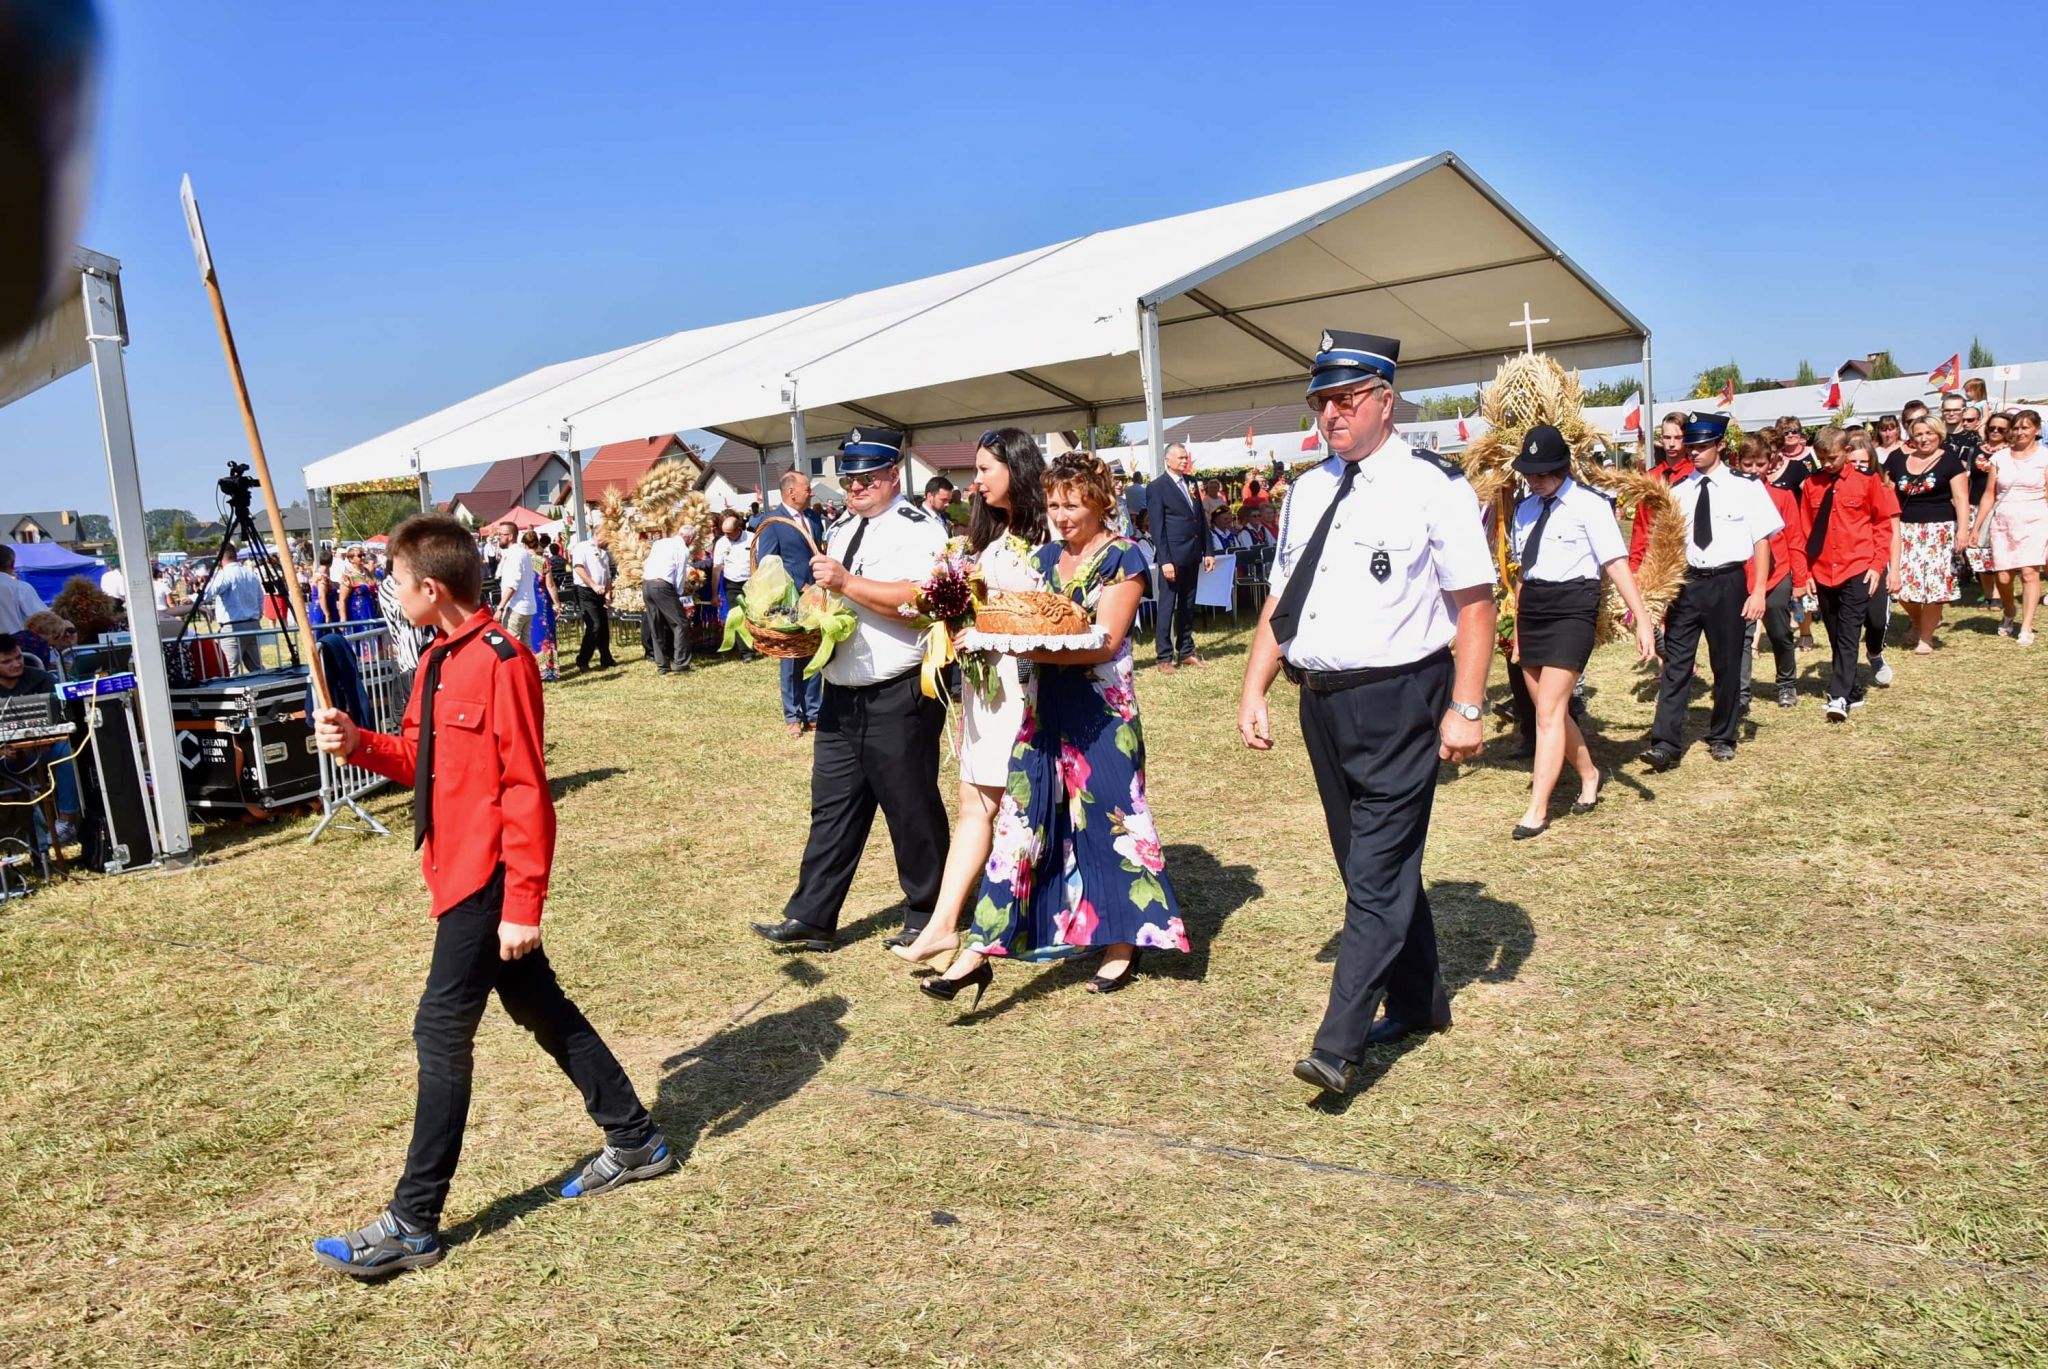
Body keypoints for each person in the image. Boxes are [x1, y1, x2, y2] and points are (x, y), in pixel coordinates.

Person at [306, 515, 672, 1278]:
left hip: (489, 878)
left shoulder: (502, 661)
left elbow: (526, 789)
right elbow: (419, 757)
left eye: (396, 583)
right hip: (454, 870)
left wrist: (523, 904)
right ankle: (634, 1138)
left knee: (440, 1029)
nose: (389, 592)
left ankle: (413, 1221)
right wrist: (356, 740)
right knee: (540, 1006)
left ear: (429, 588)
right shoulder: (436, 658)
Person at [1236, 329, 1496, 1096]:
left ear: (1387, 399)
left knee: (1377, 874)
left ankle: (1338, 1042)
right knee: (1367, 866)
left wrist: (1468, 706)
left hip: (1402, 698)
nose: (1331, 415)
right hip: (1323, 702)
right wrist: (1255, 685)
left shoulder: (1433, 485)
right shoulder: (1310, 489)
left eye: (1346, 399)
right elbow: (1283, 598)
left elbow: (1474, 605)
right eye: (1321, 401)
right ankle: (1420, 1001)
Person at [921, 451, 1185, 1008]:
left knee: (1111, 827)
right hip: (1041, 711)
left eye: (1073, 503)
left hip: (1102, 716)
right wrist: (986, 630)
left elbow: (1107, 641)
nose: (1062, 516)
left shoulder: (1124, 557)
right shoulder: (1041, 557)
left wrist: (1006, 642)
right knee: (1019, 826)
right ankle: (976, 954)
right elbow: (1018, 619)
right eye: (1055, 504)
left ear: (1100, 499)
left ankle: (1122, 943)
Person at [750, 428, 951, 953]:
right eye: (849, 479)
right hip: (841, 690)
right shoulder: (841, 527)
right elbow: (830, 593)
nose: (855, 487)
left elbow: (922, 601)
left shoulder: (918, 528)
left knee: (910, 806)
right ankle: (813, 916)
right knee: (832, 807)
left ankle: (928, 911)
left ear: (892, 473)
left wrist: (845, 584)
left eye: (866, 477)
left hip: (898, 688)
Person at [892, 428, 1051, 971]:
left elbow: (1048, 611)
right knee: (974, 805)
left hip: (1027, 687)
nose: (975, 481)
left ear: (1018, 469)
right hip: (984, 687)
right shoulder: (983, 537)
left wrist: (986, 623)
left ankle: (1001, 928)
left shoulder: (1049, 532)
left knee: (1016, 808)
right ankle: (942, 926)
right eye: (976, 470)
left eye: (986, 469)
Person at [1507, 425, 1656, 838]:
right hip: (1534, 610)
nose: (1535, 481)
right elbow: (1524, 574)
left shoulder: (1590, 506)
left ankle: (1537, 809)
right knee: (1548, 710)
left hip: (1573, 609)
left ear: (1564, 468)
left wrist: (1640, 618)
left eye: (1543, 473)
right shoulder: (1525, 510)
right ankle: (1589, 775)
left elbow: (1615, 563)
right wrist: (1518, 629)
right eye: (1530, 474)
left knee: (1550, 711)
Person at [1641, 413, 1781, 771]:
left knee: (1726, 663)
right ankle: (1665, 743)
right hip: (1688, 584)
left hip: (1728, 583)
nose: (1696, 453)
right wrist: (1660, 593)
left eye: (1703, 446)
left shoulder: (1746, 487)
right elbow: (1667, 545)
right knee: (1676, 664)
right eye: (1692, 447)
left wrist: (1759, 590)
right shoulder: (1678, 491)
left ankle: (1723, 735)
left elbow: (1762, 541)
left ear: (1720, 445)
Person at [1791, 427, 1900, 722]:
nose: (1827, 464)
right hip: (1824, 570)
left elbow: (1882, 525)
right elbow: (1803, 532)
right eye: (1822, 458)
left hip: (1857, 568)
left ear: (1847, 452)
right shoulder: (1812, 485)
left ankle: (1838, 697)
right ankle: (1852, 689)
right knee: (1836, 632)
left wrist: (1878, 565)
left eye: (1833, 458)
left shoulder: (1868, 482)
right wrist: (1805, 574)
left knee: (1850, 633)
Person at [1883, 416, 1972, 653]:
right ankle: (1916, 619)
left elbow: (1962, 498)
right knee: (1898, 584)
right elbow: (1887, 492)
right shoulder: (1897, 459)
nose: (1924, 438)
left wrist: (1963, 530)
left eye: (1929, 433)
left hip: (1940, 530)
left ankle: (1926, 636)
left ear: (1939, 434)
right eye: (1919, 433)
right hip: (1905, 529)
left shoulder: (1950, 460)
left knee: (1935, 586)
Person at [753, 471, 829, 732]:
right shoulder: (773, 522)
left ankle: (813, 711)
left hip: (817, 596)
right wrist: (798, 585)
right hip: (791, 600)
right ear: (791, 492)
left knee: (814, 652)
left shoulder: (813, 518)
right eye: (807, 489)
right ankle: (793, 715)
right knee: (791, 657)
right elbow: (768, 564)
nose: (812, 493)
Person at [1734, 436, 1804, 709]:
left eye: (1759, 464)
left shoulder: (1783, 496)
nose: (1753, 469)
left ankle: (1786, 684)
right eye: (1747, 463)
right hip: (1742, 576)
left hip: (1777, 575)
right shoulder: (1730, 495)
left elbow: (1795, 539)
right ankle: (1740, 694)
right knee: (1742, 635)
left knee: (1779, 631)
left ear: (1770, 463)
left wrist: (1799, 581)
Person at [1973, 409, 2048, 644]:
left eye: (2025, 427)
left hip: (2035, 519)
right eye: (2016, 428)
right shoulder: (2000, 458)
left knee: (2029, 573)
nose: (2020, 432)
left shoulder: (2044, 457)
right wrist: (1976, 527)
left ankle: (2026, 627)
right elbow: (1989, 495)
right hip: (2003, 520)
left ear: (2036, 430)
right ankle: (2009, 610)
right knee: (2004, 577)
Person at [1145, 441, 1213, 672]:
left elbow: (1200, 519)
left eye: (1186, 457)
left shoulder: (1191, 483)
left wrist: (1208, 550)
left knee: (1187, 604)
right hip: (1172, 556)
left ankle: (1186, 650)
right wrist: (1165, 560)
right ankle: (1164, 656)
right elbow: (1157, 526)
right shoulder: (1157, 487)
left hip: (1192, 554)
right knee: (1167, 605)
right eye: (1180, 457)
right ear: (1168, 459)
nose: (1185, 461)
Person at [1628, 414, 1695, 575]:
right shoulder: (1651, 477)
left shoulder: (1696, 475)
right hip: (1656, 564)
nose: (1672, 444)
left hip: (1690, 562)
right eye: (1667, 437)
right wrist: (1634, 568)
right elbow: (1641, 526)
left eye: (1678, 437)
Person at [1963, 413, 2011, 602]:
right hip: (1975, 504)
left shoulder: (2010, 453)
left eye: (2001, 429)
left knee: (1997, 550)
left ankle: (1999, 593)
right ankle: (1988, 593)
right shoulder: (1975, 450)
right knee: (1978, 550)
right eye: (1992, 428)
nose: (1996, 432)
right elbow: (1968, 477)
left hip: (2000, 506)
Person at [639, 516, 693, 677]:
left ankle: (662, 665)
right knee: (681, 623)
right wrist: (678, 593)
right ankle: (680, 662)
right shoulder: (683, 549)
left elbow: (648, 562)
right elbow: (680, 574)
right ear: (689, 538)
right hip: (663, 585)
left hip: (647, 583)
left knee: (656, 625)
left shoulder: (660, 543)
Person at [204, 543, 267, 673]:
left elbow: (209, 592)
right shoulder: (250, 574)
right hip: (253, 624)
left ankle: (232, 693)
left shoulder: (225, 574)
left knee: (229, 669)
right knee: (256, 668)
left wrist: (193, 600)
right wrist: (258, 616)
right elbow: (260, 598)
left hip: (233, 627)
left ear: (220, 557)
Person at [569, 527, 619, 670]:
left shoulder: (604, 553)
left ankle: (606, 657)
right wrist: (593, 585)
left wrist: (608, 593)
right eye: (606, 537)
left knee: (603, 626)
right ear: (597, 535)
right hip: (585, 591)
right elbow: (579, 569)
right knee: (594, 625)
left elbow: (608, 575)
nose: (608, 541)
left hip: (601, 591)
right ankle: (583, 660)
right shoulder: (582, 547)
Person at [711, 513, 755, 661]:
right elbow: (717, 568)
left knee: (753, 615)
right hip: (732, 584)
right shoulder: (721, 543)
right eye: (724, 533)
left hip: (751, 582)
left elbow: (761, 560)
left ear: (739, 528)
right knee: (737, 617)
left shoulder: (752, 538)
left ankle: (759, 644)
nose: (726, 536)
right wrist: (714, 593)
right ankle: (746, 652)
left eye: (729, 533)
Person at [520, 530, 561, 681]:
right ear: (537, 543)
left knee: (528, 634)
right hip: (541, 600)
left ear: (524, 544)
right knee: (546, 634)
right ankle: (547, 669)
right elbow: (550, 585)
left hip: (525, 599)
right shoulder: (543, 561)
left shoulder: (521, 561)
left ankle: (530, 669)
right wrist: (557, 603)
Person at [494, 522, 537, 645]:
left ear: (511, 536)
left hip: (516, 607)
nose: (498, 537)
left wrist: (500, 607)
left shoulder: (515, 554)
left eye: (501, 534)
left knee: (512, 647)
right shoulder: (524, 553)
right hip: (527, 606)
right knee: (526, 648)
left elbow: (512, 585)